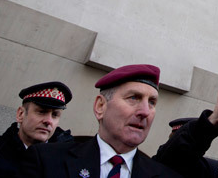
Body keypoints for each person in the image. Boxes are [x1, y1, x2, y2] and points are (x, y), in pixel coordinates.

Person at [21, 64, 182, 178]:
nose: (145, 112)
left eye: (152, 102)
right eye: (133, 98)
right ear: (100, 106)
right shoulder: (47, 159)